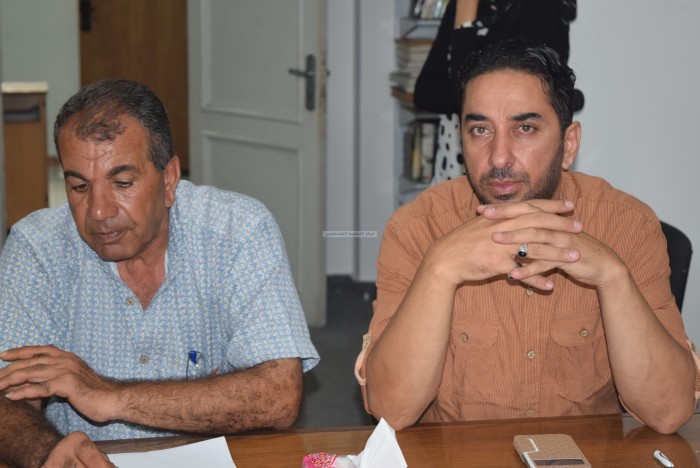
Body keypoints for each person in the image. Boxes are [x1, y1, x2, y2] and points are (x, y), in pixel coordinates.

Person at [356, 41, 699, 434]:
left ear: (568, 145)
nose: (499, 157)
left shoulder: (627, 224)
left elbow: (667, 412)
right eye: (480, 130)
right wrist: (439, 269)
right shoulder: (417, 228)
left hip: (585, 455)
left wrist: (612, 276)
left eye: (525, 128)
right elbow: (392, 412)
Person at [0, 79, 319, 467]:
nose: (98, 211)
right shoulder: (37, 247)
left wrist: (110, 395)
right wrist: (46, 455)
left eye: (122, 183)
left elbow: (279, 394)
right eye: (79, 186)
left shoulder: (238, 231)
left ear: (169, 179)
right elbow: (7, 398)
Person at [413, 0, 580, 182]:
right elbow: (424, 93)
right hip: (453, 159)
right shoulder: (462, 4)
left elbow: (472, 95)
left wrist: (465, 21)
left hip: (507, 163)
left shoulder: (540, 6)